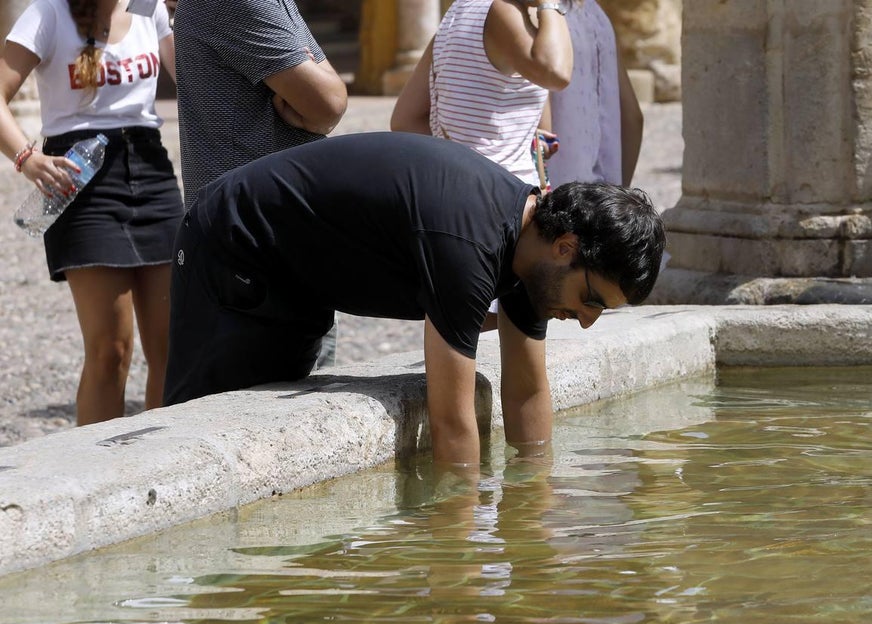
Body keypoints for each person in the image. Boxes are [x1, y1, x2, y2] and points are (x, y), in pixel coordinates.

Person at [163, 132, 665, 467]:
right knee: (197, 433)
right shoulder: (470, 245)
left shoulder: (532, 257)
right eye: (591, 300)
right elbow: (451, 422)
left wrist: (532, 519)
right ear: (566, 248)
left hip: (298, 279)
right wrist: (459, 567)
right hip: (232, 246)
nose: (584, 322)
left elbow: (527, 394)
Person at [0, 0, 183, 425]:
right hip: (81, 184)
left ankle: (159, 464)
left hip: (152, 172)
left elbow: (195, 82)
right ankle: (99, 472)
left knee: (175, 347)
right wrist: (27, 158)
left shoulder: (148, 7)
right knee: (111, 350)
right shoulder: (47, 13)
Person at [172, 0, 347, 366]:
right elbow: (329, 102)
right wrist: (310, 86)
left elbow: (328, 96)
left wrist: (313, 90)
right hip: (256, 237)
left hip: (271, 228)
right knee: (274, 399)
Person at [390, 0, 574, 189]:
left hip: (457, 188)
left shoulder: (459, 12)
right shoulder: (502, 12)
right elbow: (556, 72)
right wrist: (551, 4)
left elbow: (405, 120)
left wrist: (459, 159)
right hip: (503, 195)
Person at [546, 0, 643, 187]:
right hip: (603, 195)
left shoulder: (541, 14)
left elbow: (541, 130)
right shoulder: (596, 14)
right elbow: (632, 117)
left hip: (559, 189)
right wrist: (617, 195)